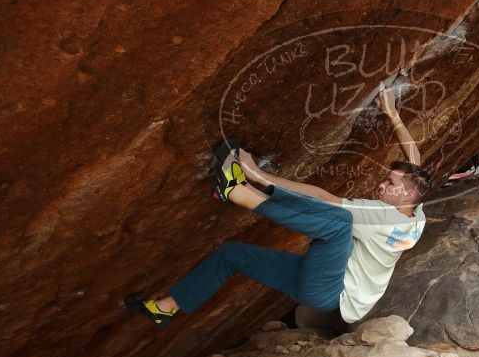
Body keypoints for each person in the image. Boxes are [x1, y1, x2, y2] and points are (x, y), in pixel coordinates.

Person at [125, 82, 430, 329]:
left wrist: (259, 175)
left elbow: (323, 198)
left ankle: (238, 191)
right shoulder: (415, 215)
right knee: (233, 254)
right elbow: (414, 162)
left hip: (330, 291)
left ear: (403, 195)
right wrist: (392, 114)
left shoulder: (377, 216)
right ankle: (164, 308)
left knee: (338, 224)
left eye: (389, 184)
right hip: (313, 281)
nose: (381, 184)